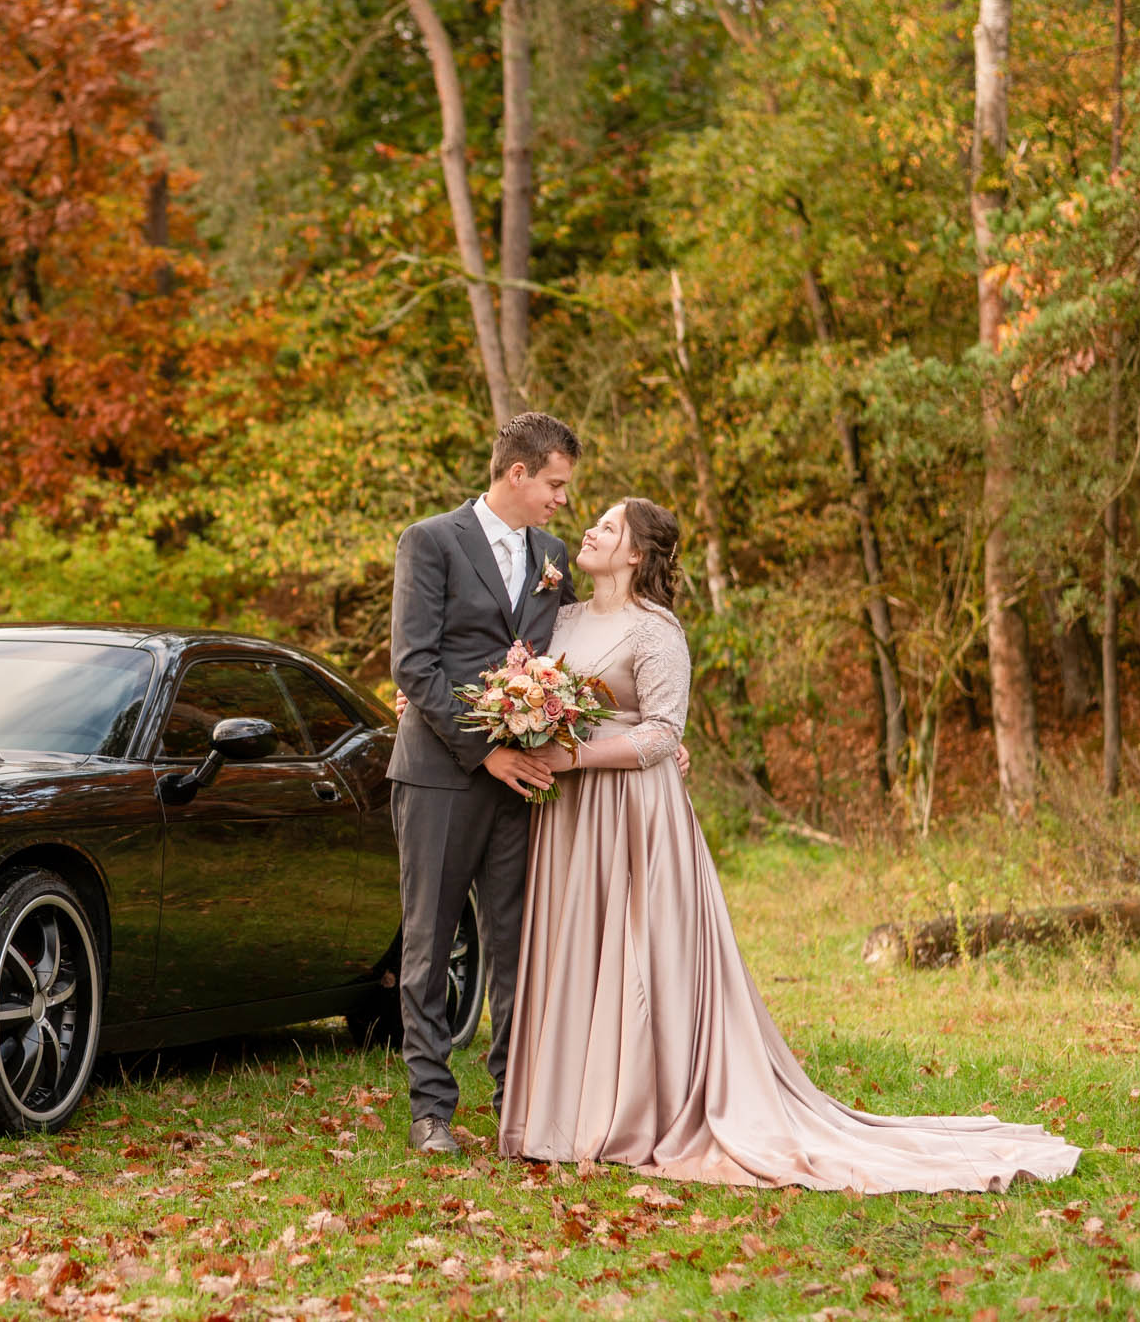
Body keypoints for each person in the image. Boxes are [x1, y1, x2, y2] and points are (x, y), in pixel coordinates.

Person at [493, 497, 1080, 1192]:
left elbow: (661, 734)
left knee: (638, 960)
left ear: (636, 555)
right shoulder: (557, 619)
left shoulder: (658, 632)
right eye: (597, 520)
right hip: (570, 823)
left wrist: (578, 759)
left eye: (610, 526)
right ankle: (568, 1111)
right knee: (580, 950)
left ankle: (632, 1113)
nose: (590, 529)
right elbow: (520, 683)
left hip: (634, 819)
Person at [386, 411, 583, 1156]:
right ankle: (431, 1109)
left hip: (524, 779)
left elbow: (571, 656)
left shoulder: (554, 555)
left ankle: (516, 1105)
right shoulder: (430, 541)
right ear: (517, 473)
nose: (562, 500)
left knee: (515, 943)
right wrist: (484, 751)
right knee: (430, 944)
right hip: (440, 772)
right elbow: (415, 664)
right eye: (555, 485)